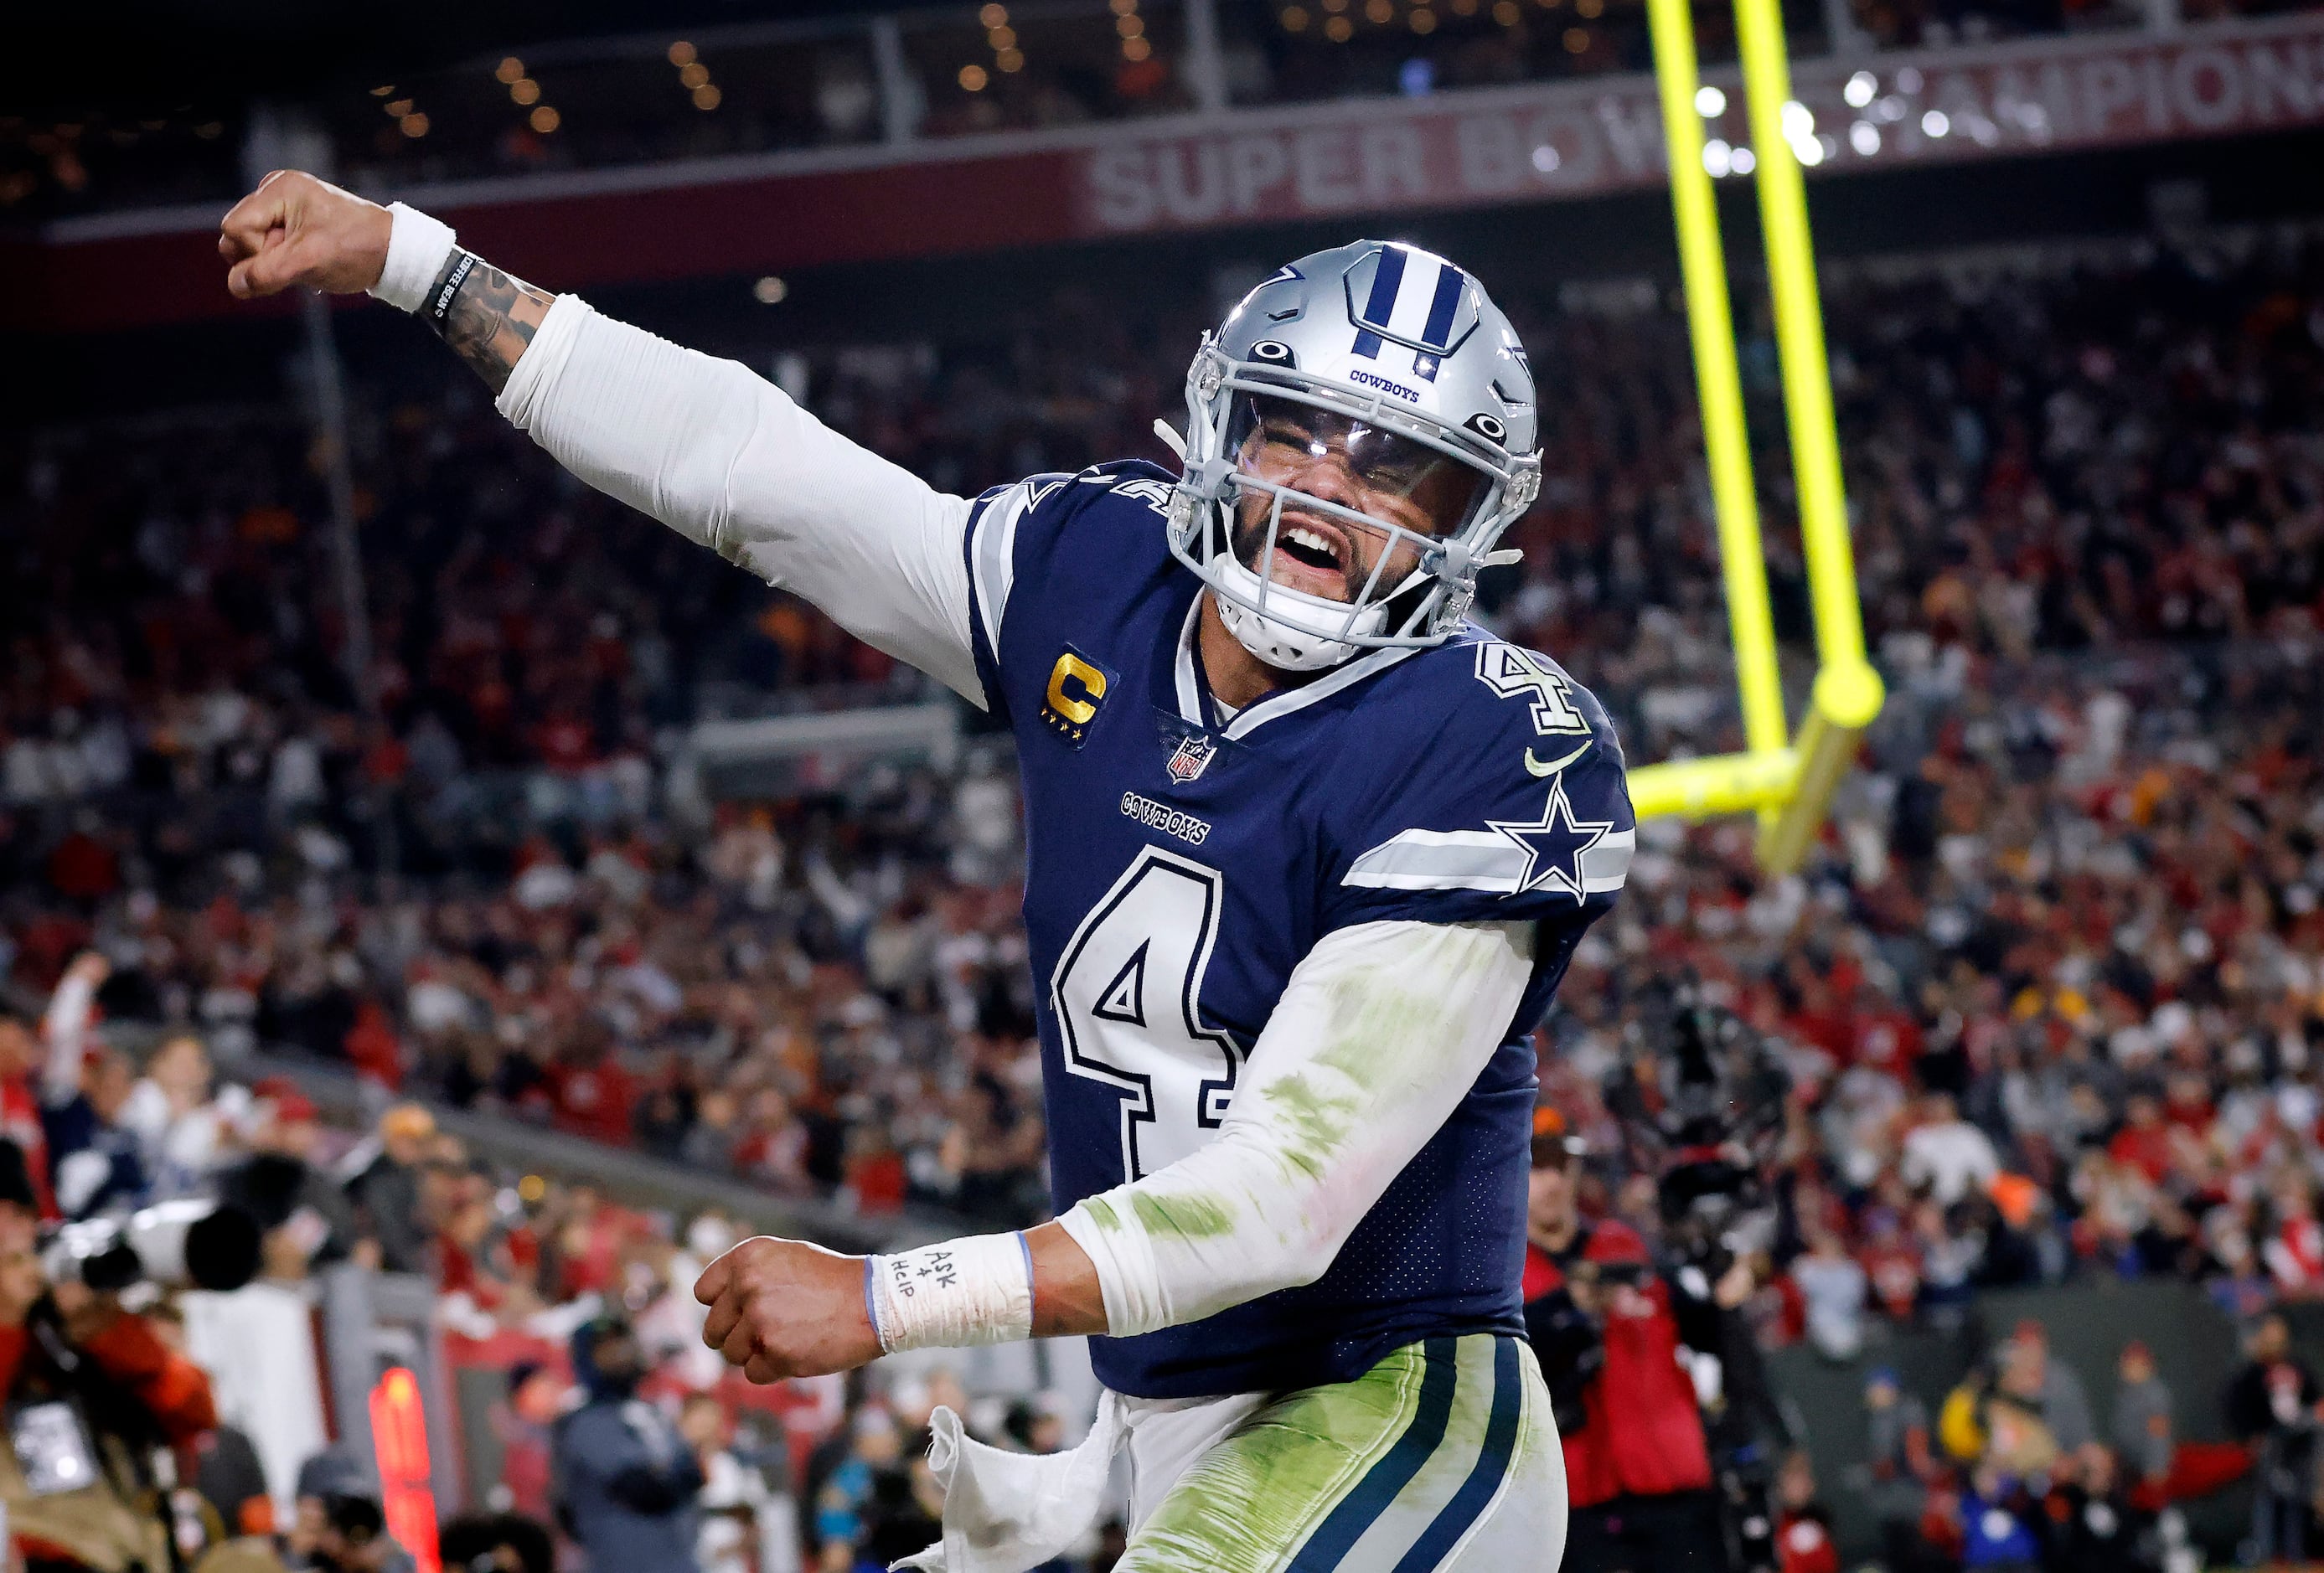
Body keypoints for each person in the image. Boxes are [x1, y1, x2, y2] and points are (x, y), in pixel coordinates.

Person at [222, 173, 1633, 1570]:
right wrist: (418, 265)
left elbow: (1278, 1197)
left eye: (1390, 463)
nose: (1328, 486)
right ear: (1221, 428)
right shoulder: (1095, 574)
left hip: (1382, 1404)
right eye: (1294, 433)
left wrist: (886, 1297)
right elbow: (754, 472)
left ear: (1467, 515)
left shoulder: (1486, 742)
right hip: (1166, 1410)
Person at [0, 1142, 219, 1573]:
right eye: (7, 1218)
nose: (19, 1230)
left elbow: (193, 1413)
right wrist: (8, 1321)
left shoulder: (71, 1313)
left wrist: (103, 1331)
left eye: (24, 1216)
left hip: (124, 1549)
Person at [1519, 1121, 1722, 1573]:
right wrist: (1571, 1306)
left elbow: (1708, 1332)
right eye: (1535, 1166)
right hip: (1579, 1493)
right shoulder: (1504, 1274)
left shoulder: (1627, 1246)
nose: (1551, 1181)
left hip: (1668, 1477)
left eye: (1560, 1165)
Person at [552, 1317, 704, 1573]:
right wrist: (677, 1474)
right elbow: (645, 1491)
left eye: (623, 1344)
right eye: (607, 1350)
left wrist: (679, 1475)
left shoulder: (653, 1412)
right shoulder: (584, 1424)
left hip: (681, 1562)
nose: (621, 1355)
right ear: (587, 1359)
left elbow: (693, 1474)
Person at [2222, 1312, 2321, 1565]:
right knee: (2267, 1498)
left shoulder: (2297, 1367)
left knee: (2297, 1499)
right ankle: (2265, 1554)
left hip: (2299, 1444)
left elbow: (2315, 1400)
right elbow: (2237, 1407)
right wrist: (2251, 1436)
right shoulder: (2252, 1373)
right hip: (2270, 1441)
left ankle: (2295, 1554)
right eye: (2271, 1336)